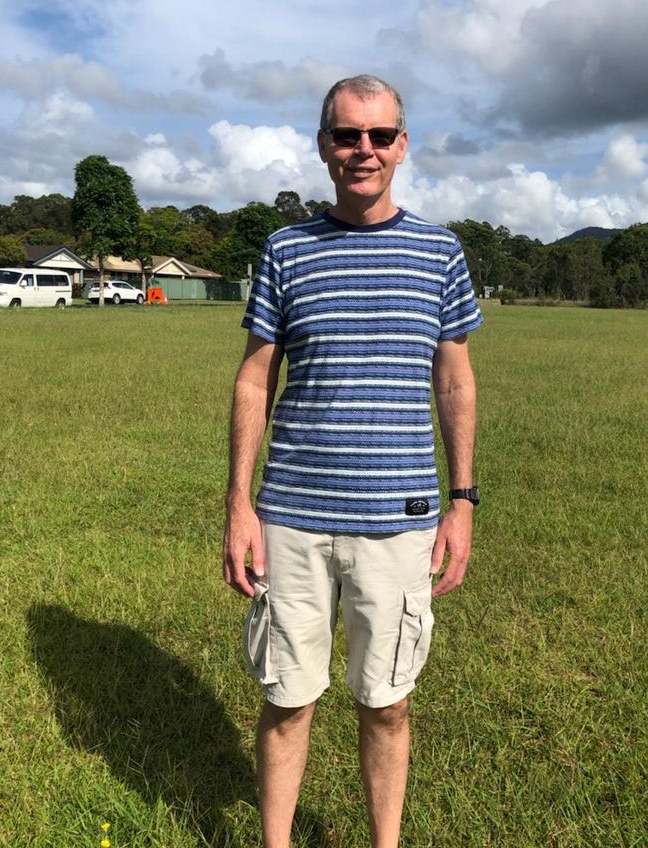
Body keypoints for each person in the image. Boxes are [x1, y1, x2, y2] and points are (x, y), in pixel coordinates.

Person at [223, 74, 483, 848]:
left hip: (399, 521)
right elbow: (253, 375)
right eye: (346, 135)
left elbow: (455, 377)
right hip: (292, 520)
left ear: (402, 144)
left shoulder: (440, 252)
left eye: (378, 135)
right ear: (323, 146)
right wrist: (240, 502)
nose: (361, 149)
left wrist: (462, 497)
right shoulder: (285, 249)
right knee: (287, 701)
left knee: (388, 703)